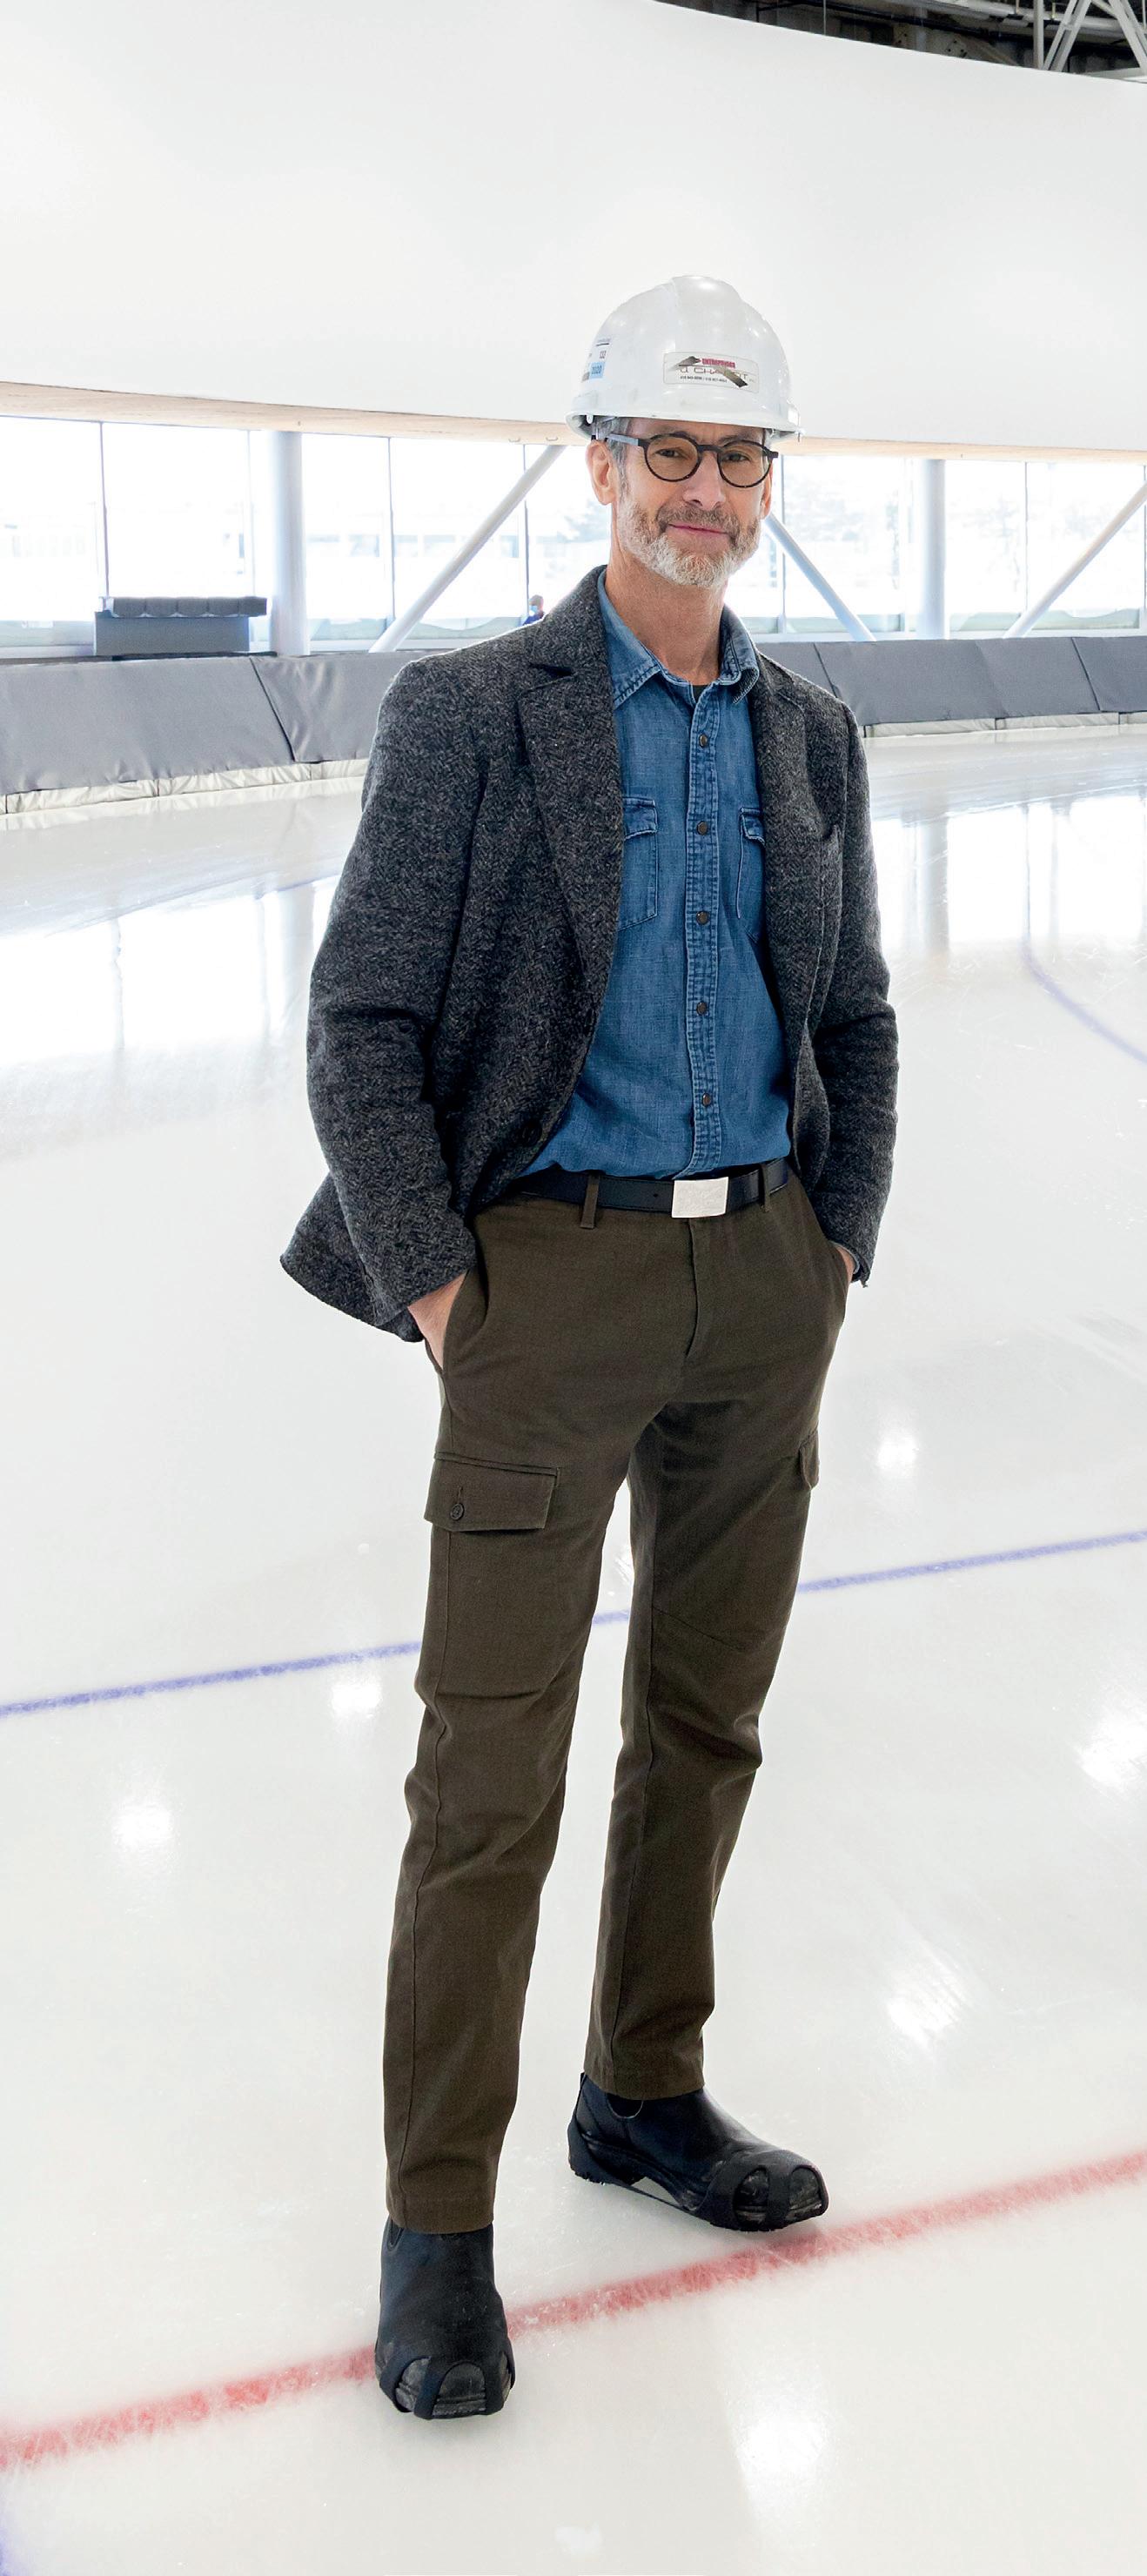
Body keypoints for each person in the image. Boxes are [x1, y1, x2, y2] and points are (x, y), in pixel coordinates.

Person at [280, 272, 899, 2422]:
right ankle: (435, 2223)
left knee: (703, 1728)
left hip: (761, 1284)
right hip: (543, 1285)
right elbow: (359, 1018)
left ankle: (642, 2088)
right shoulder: (476, 712)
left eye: (737, 457)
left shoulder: (806, 730)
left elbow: (852, 1011)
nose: (702, 491)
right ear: (600, 461)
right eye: (669, 451)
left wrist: (837, 1239)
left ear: (763, 482)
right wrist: (446, 1285)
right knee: (488, 1775)